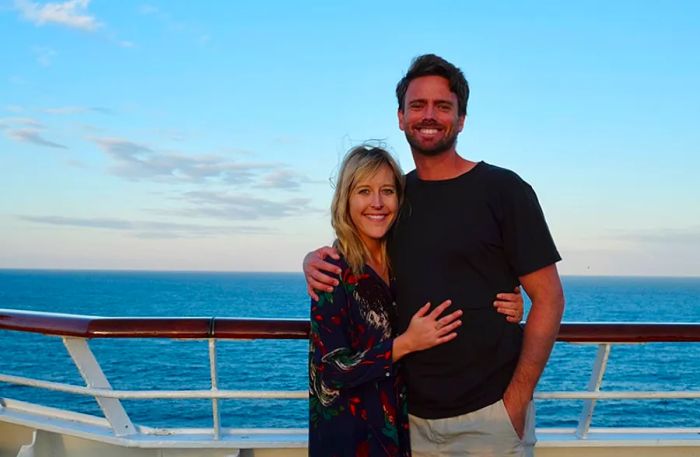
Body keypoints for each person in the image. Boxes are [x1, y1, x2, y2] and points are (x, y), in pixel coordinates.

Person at [305, 54, 565, 457]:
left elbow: (548, 298)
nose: (429, 116)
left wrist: (515, 401)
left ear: (461, 119)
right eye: (418, 105)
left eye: (443, 106)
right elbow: (360, 257)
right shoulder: (395, 197)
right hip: (407, 421)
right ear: (400, 116)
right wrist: (311, 260)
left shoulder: (504, 190)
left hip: (489, 417)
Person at [308, 145, 524, 457]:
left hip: (399, 427)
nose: (377, 203)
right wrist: (407, 343)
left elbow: (454, 279)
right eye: (364, 191)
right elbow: (330, 372)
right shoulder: (332, 271)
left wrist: (506, 304)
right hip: (352, 435)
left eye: (387, 191)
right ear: (346, 199)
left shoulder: (397, 259)